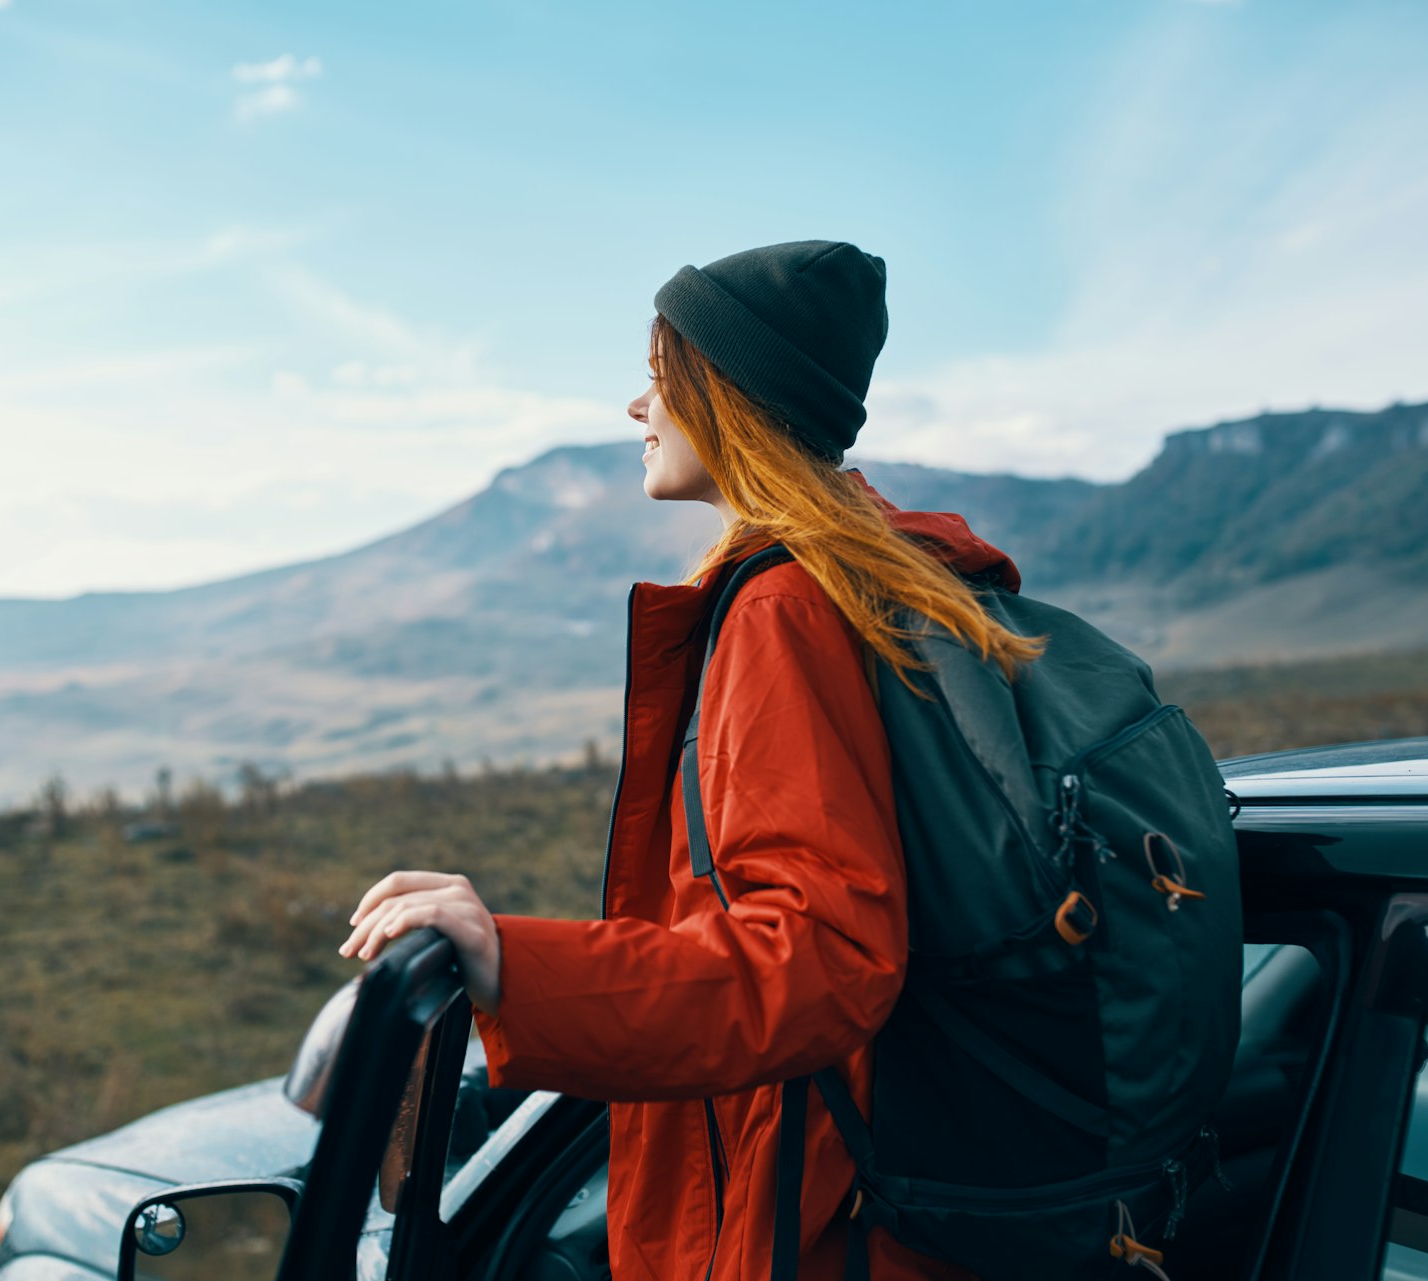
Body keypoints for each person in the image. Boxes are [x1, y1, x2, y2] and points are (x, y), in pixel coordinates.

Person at [340, 240, 1044, 1280]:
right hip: (915, 1202)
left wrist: (506, 959)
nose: (637, 407)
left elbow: (818, 958)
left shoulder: (788, 609)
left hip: (818, 1226)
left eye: (660, 377)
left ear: (728, 396)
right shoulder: (899, 588)